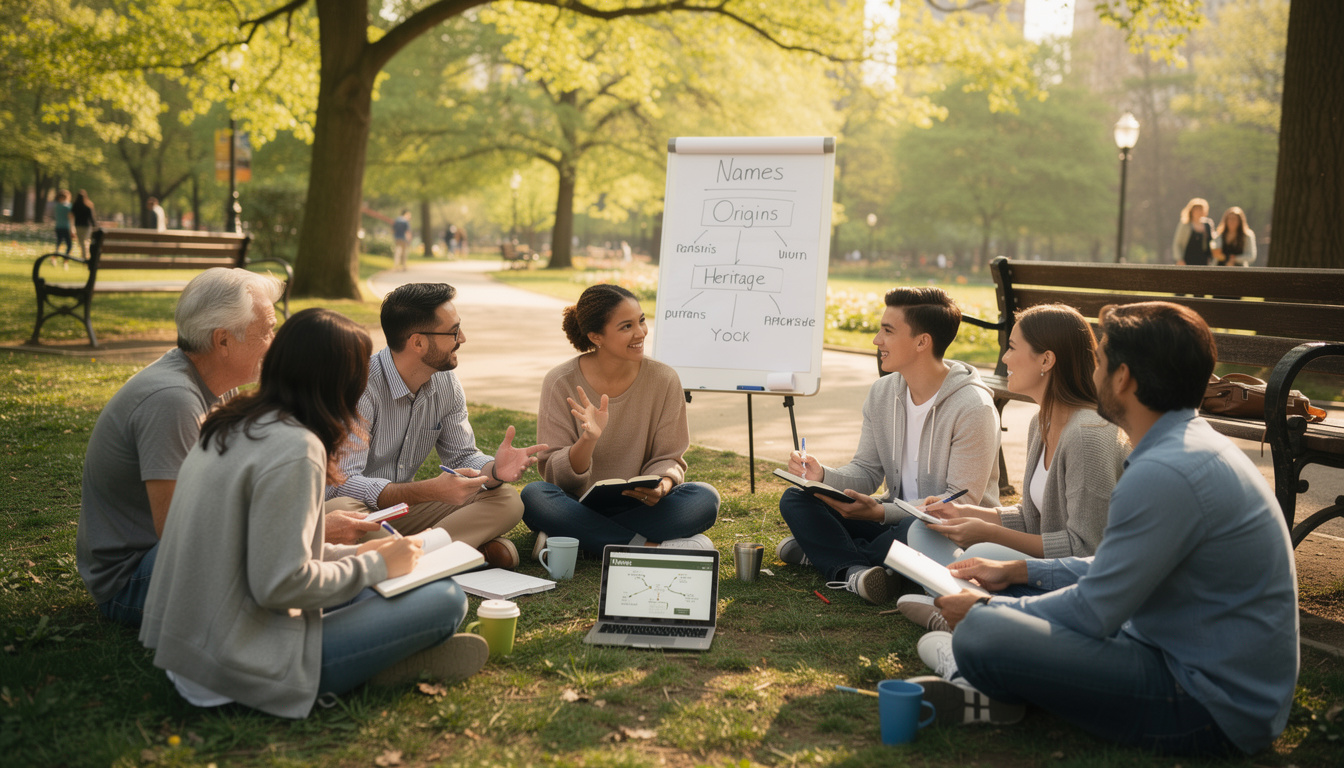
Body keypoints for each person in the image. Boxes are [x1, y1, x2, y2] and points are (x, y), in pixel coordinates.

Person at [910, 302, 1297, 757]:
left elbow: (1096, 611)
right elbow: (1113, 567)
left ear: (1124, 378)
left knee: (984, 632)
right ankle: (993, 668)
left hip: (1207, 703)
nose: (1093, 372)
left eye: (1101, 361)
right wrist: (1020, 573)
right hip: (1172, 653)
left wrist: (987, 609)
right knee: (1006, 607)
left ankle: (974, 668)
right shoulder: (1185, 445)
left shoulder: (1166, 470)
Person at [140, 308, 487, 719]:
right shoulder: (296, 449)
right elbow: (282, 585)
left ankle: (379, 658)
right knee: (444, 599)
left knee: (398, 582)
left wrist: (358, 557)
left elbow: (262, 548)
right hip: (237, 667)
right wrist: (376, 564)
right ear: (341, 381)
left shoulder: (233, 422)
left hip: (192, 651)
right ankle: (378, 667)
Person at [76, 269, 302, 628]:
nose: (274, 342)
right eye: (268, 330)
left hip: (166, 557)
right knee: (289, 562)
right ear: (223, 341)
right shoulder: (173, 401)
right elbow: (181, 531)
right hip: (132, 578)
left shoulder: (210, 380)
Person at [899, 304, 1129, 631]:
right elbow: (1032, 517)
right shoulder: (1042, 422)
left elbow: (1085, 549)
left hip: (1078, 581)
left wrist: (990, 532)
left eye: (1012, 348)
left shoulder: (1087, 436)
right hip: (1045, 566)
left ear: (1046, 360)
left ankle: (967, 612)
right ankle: (969, 608)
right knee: (922, 530)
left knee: (984, 548)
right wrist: (971, 514)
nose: (1004, 358)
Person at [776, 287, 1000, 605]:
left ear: (922, 342)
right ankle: (860, 568)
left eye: (888, 331)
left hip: (942, 532)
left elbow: (955, 506)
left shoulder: (973, 407)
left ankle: (832, 557)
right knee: (797, 499)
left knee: (914, 528)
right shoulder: (883, 392)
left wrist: (881, 512)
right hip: (890, 519)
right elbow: (866, 471)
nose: (876, 340)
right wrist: (821, 476)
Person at [326, 283, 545, 569]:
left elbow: (463, 456)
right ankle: (455, 552)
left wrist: (494, 471)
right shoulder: (359, 385)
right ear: (418, 343)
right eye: (453, 331)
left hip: (403, 511)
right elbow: (340, 485)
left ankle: (414, 555)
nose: (462, 338)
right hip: (357, 509)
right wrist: (430, 490)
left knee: (506, 500)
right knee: (341, 509)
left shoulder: (446, 382)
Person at [521, 284, 720, 556]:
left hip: (643, 505)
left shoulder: (664, 379)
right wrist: (588, 440)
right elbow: (556, 475)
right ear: (596, 336)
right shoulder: (560, 382)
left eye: (641, 321)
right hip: (575, 501)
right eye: (626, 326)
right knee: (535, 496)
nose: (640, 333)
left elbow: (669, 456)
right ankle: (646, 546)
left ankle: (575, 535)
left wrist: (662, 485)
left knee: (704, 498)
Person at [1171, 198, 1214, 266]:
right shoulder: (1185, 225)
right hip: (1187, 260)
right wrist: (1179, 259)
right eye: (1196, 209)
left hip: (1203, 261)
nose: (1198, 211)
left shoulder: (1207, 225)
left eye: (1200, 209)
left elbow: (1211, 244)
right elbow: (1177, 243)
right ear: (1191, 211)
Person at [71, 190, 97, 259]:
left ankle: (84, 256)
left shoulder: (75, 206)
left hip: (78, 225)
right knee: (86, 241)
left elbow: (71, 216)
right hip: (87, 226)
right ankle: (86, 255)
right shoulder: (88, 206)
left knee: (81, 241)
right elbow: (92, 218)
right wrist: (95, 226)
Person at [52, 190, 73, 255]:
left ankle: (55, 256)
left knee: (58, 243)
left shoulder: (57, 206)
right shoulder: (68, 206)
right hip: (66, 227)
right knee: (69, 244)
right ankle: (66, 259)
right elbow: (71, 218)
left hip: (58, 226)